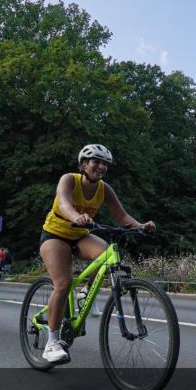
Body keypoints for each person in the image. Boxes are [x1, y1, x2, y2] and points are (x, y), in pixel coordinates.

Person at [39, 144, 156, 365]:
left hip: (80, 236)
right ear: (84, 164)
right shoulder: (70, 180)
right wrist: (76, 215)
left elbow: (122, 217)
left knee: (107, 254)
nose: (101, 167)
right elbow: (63, 203)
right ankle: (52, 342)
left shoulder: (104, 189)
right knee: (63, 284)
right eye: (96, 161)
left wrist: (141, 226)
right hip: (55, 235)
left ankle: (84, 293)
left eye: (105, 164)